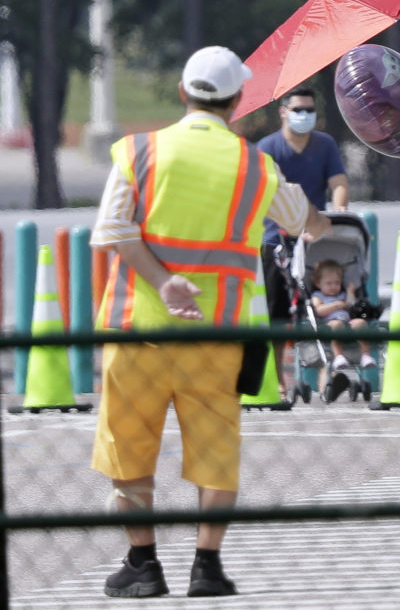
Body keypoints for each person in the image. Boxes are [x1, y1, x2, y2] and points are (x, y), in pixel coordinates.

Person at [90, 46, 331, 598]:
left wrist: (162, 281)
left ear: (183, 93)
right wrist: (320, 218)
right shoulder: (256, 165)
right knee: (215, 453)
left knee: (129, 448)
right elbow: (304, 223)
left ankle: (143, 566)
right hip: (218, 337)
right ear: (238, 102)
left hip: (138, 330)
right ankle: (207, 567)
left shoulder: (139, 152)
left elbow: (114, 231)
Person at [258, 85, 350, 398]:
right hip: (277, 241)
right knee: (278, 314)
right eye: (298, 110)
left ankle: (328, 374)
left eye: (310, 110)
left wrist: (338, 213)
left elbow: (338, 183)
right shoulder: (268, 148)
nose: (305, 116)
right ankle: (278, 383)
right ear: (283, 111)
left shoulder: (324, 145)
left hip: (316, 241)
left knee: (321, 309)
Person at [310, 258, 377, 372]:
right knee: (337, 325)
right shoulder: (318, 295)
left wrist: (350, 292)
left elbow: (351, 305)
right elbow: (318, 310)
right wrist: (336, 305)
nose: (333, 286)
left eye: (337, 283)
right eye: (329, 283)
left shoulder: (342, 294)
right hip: (328, 324)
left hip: (347, 323)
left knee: (360, 323)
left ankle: (365, 355)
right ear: (318, 283)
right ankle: (338, 356)